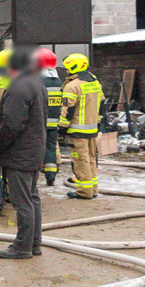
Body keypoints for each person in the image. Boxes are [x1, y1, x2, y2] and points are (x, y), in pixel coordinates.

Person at [0, 49, 48, 259]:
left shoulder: (18, 87)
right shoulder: (35, 83)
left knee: (22, 201)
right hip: (33, 151)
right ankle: (33, 244)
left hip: (19, 154)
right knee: (32, 198)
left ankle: (22, 247)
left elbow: (12, 124)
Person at [59, 53, 104, 200]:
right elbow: (102, 104)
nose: (66, 71)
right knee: (91, 159)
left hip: (77, 131)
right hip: (92, 129)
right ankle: (93, 189)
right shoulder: (94, 82)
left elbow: (68, 110)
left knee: (80, 161)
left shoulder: (72, 86)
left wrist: (62, 129)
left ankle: (84, 192)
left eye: (67, 68)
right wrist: (98, 122)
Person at [36, 48, 63, 186]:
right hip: (54, 123)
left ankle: (34, 175)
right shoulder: (59, 82)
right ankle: (51, 175)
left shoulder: (38, 81)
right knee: (51, 147)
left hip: (40, 122)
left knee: (36, 148)